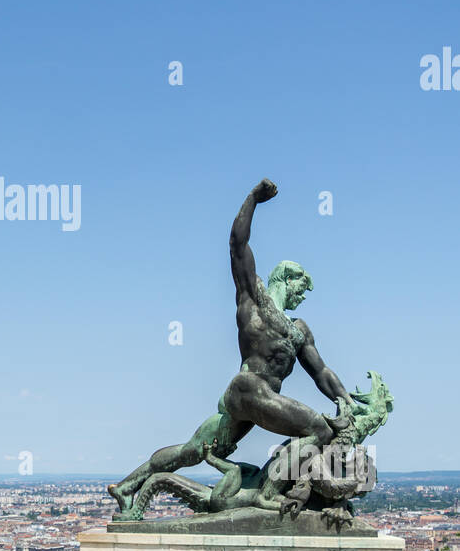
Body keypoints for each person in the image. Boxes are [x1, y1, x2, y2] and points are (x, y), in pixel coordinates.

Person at [109, 178, 356, 514]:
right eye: (302, 286)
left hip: (258, 402)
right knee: (318, 429)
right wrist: (253, 198)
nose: (303, 295)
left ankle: (125, 488)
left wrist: (343, 398)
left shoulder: (299, 330)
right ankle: (270, 494)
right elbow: (237, 245)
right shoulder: (254, 297)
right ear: (286, 278)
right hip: (248, 389)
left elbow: (321, 371)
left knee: (192, 450)